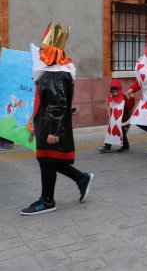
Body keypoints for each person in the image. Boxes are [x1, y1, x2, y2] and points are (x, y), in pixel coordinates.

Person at [21, 23, 93, 215]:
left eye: (44, 48)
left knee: (46, 160)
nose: (41, 51)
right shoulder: (54, 71)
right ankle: (80, 179)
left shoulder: (56, 74)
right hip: (46, 124)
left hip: (50, 126)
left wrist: (53, 130)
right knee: (48, 160)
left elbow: (57, 104)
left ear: (52, 51)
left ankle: (47, 200)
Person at [100, 79, 135, 153]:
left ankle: (123, 145)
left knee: (121, 132)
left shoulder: (124, 97)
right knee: (111, 132)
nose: (115, 93)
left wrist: (131, 98)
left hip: (122, 119)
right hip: (114, 120)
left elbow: (130, 106)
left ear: (120, 90)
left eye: (117, 91)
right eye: (113, 92)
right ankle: (108, 146)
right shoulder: (111, 98)